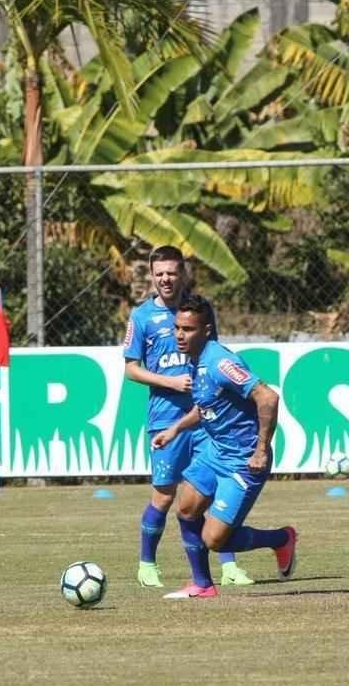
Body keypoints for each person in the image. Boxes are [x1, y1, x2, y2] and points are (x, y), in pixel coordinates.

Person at [151, 296, 297, 599]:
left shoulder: (220, 362)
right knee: (186, 508)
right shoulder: (194, 359)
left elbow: (267, 397)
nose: (179, 335)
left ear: (206, 330)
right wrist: (175, 429)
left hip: (243, 461)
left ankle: (281, 539)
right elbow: (206, 407)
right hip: (215, 452)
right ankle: (202, 584)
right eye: (177, 328)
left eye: (188, 329)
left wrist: (260, 450)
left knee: (215, 540)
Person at [124, 247, 254, 588]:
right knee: (165, 496)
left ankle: (227, 567)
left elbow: (214, 355)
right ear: (152, 275)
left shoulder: (200, 309)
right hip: (165, 418)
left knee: (210, 492)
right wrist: (169, 381)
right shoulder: (141, 318)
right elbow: (131, 370)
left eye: (172, 272)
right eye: (160, 273)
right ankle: (147, 564)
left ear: (183, 273)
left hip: (207, 417)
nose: (166, 279)